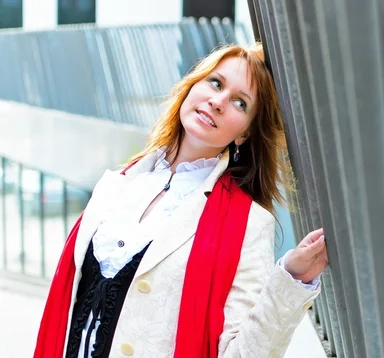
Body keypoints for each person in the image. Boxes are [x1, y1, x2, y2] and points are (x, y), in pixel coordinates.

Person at [34, 42, 329, 358]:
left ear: (244, 134)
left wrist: (291, 281)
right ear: (193, 85)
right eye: (215, 83)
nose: (218, 101)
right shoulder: (118, 184)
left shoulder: (248, 224)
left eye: (240, 103)